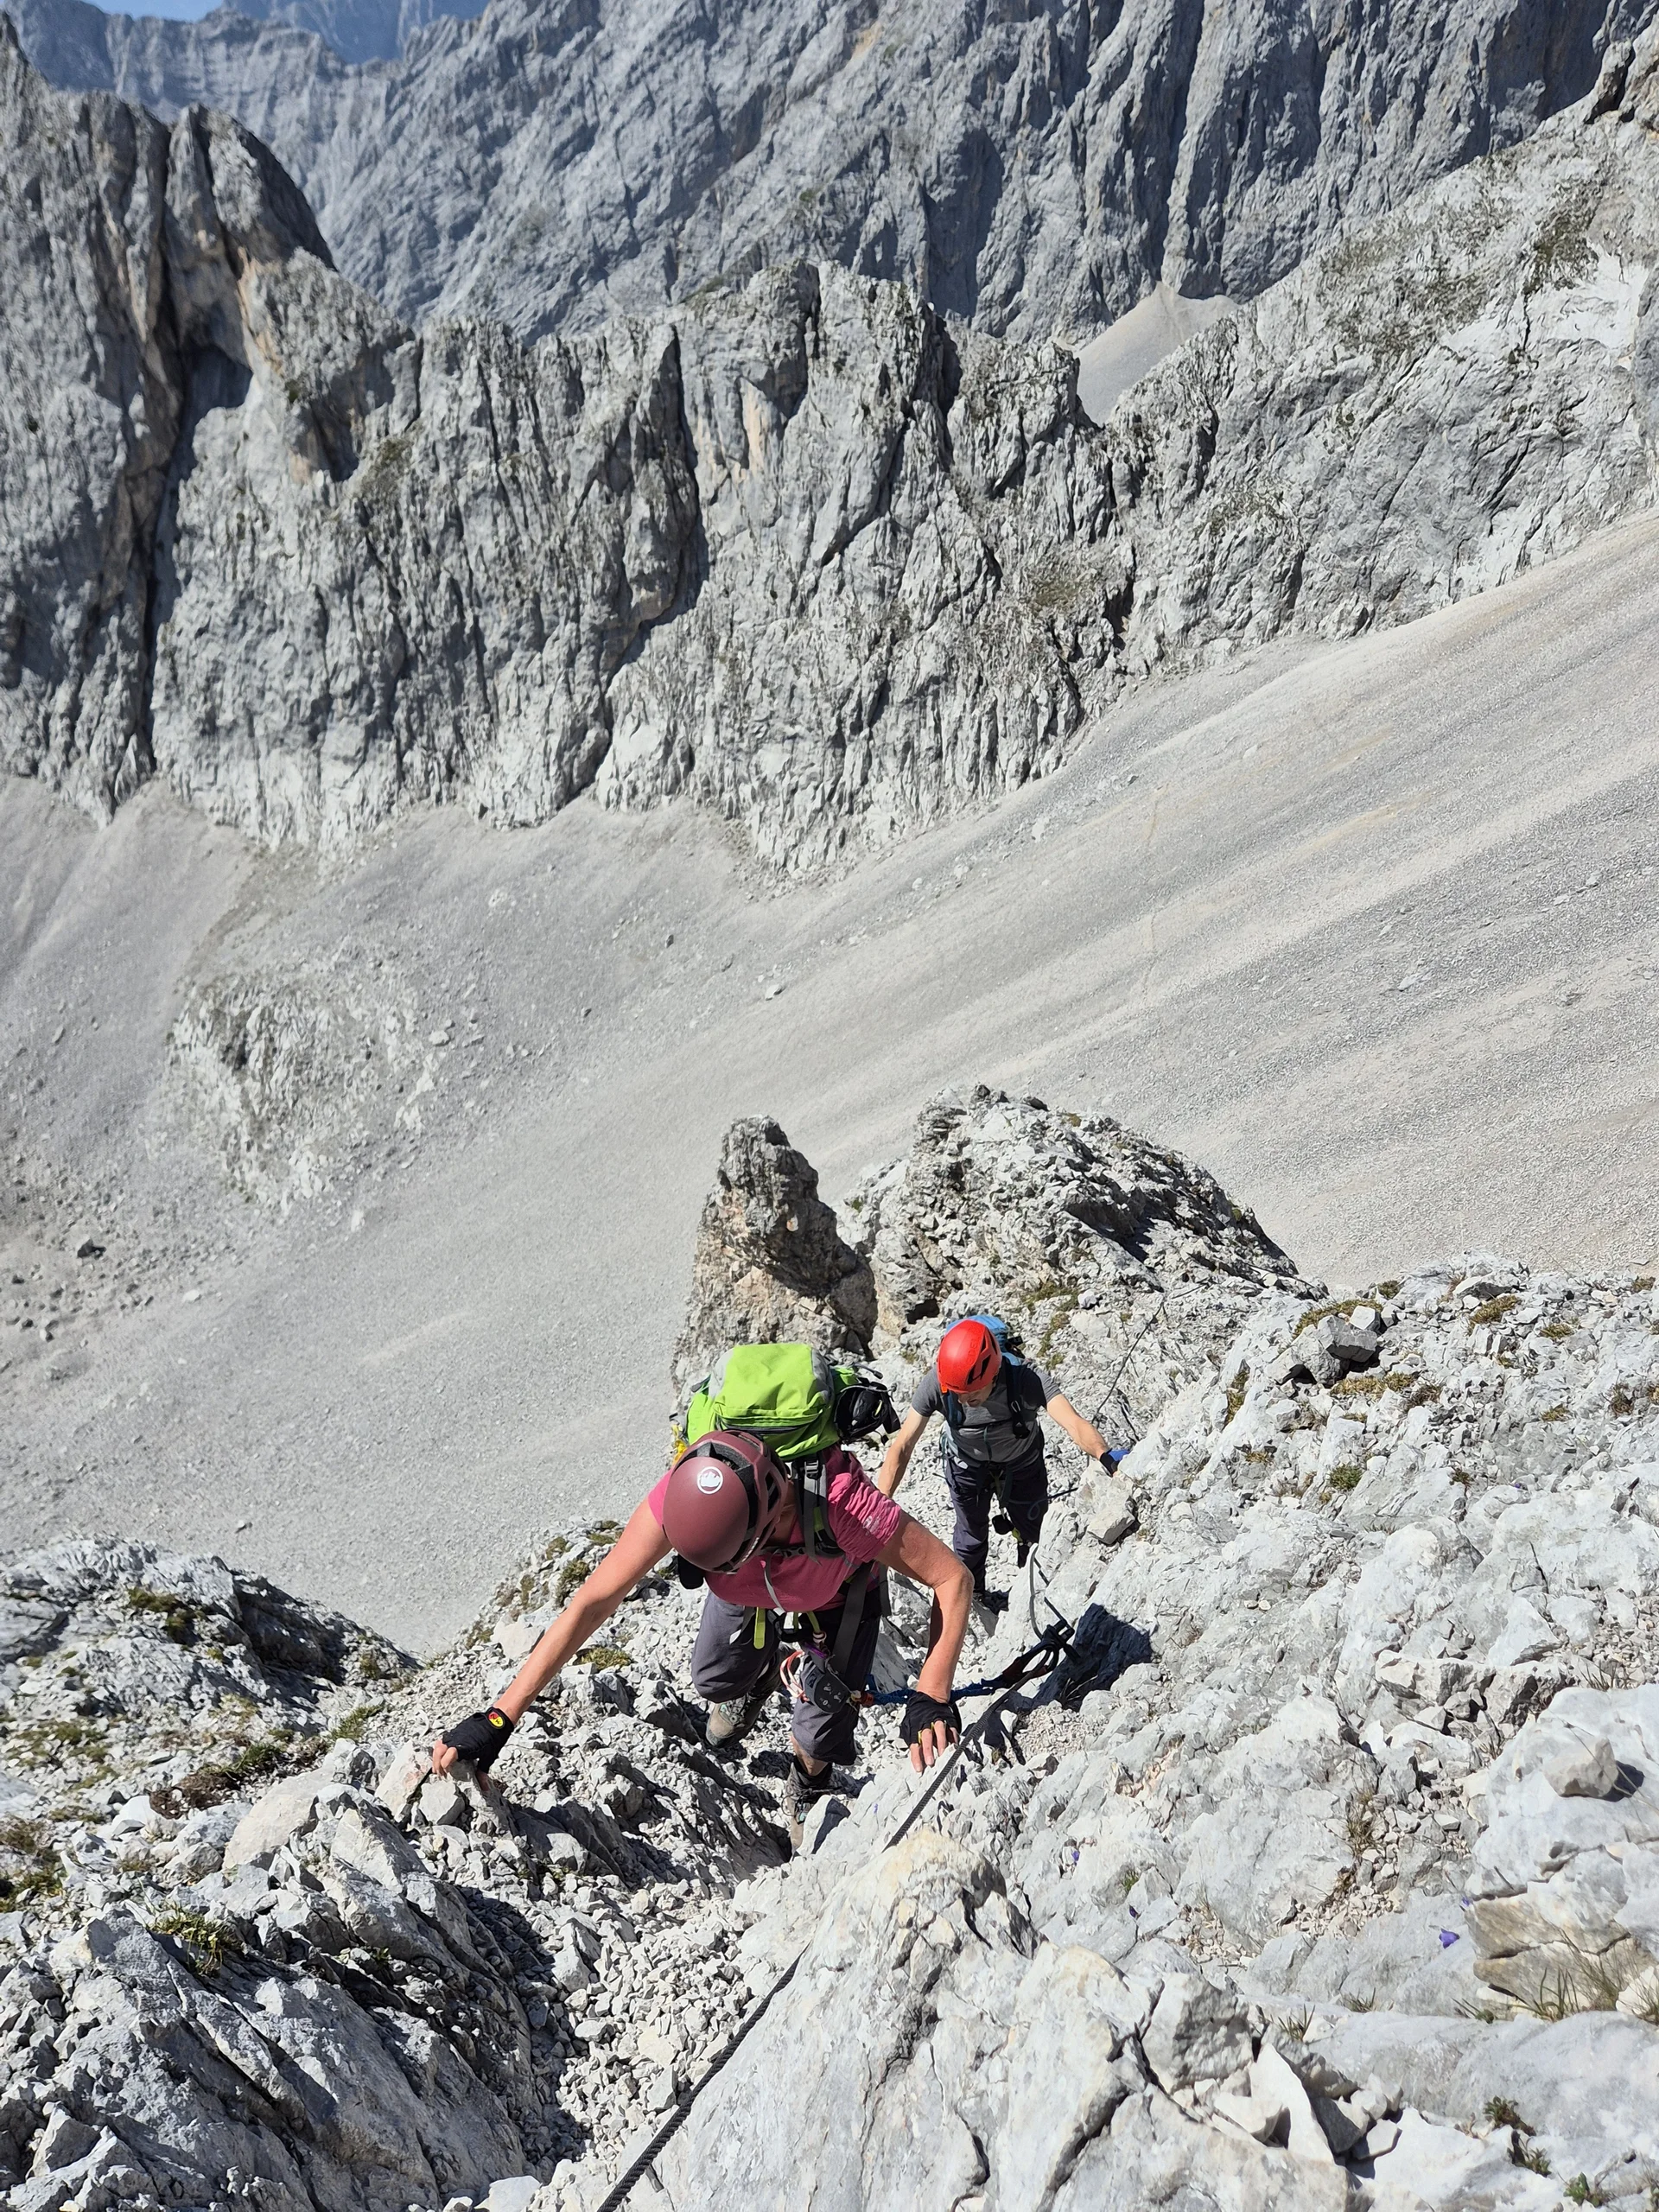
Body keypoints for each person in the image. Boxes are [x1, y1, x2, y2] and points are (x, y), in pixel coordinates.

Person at [434, 1423, 973, 1847]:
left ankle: (808, 1783)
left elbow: (952, 1578)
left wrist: (932, 1693)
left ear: (762, 1530)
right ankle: (765, 1673)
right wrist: (500, 1715)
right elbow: (593, 1600)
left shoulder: (842, 1504)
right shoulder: (681, 1497)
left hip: (835, 1599)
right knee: (713, 1679)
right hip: (748, 1592)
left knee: (822, 1727)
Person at [876, 1315, 1112, 1604]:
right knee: (970, 1534)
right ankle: (972, 1598)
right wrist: (879, 1505)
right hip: (965, 1466)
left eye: (970, 1394)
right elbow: (902, 1446)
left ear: (991, 1373)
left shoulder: (1025, 1379)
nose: (962, 1401)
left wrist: (1106, 1456)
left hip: (1022, 1463)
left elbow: (1073, 1423)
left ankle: (1034, 1588)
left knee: (1035, 1529)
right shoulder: (939, 1383)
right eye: (957, 1394)